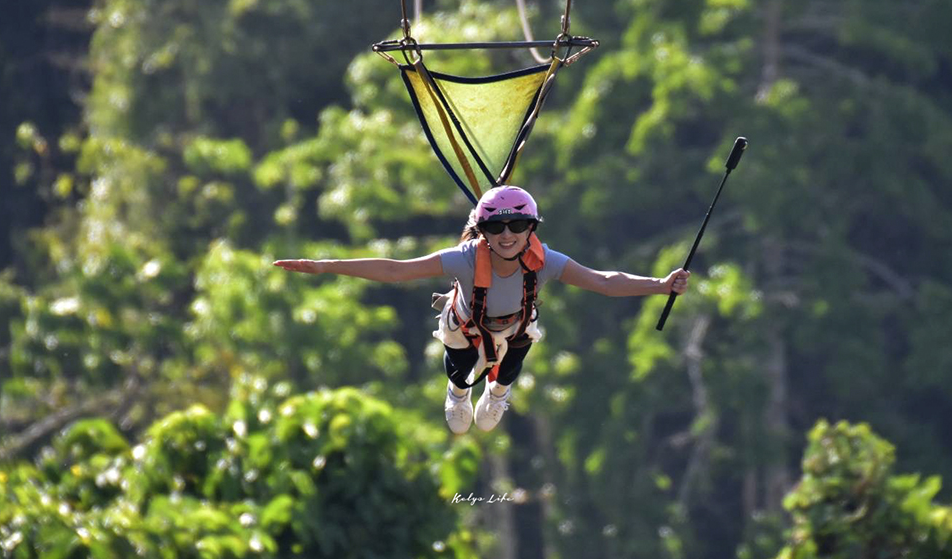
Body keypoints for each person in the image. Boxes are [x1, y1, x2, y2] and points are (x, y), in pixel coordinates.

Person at [273, 185, 690, 434]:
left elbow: (603, 281)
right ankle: (458, 393)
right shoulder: (464, 259)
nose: (506, 235)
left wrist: (659, 285)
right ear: (482, 230)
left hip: (514, 328)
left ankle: (499, 392)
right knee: (460, 362)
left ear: (532, 228)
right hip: (467, 324)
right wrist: (326, 266)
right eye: (495, 227)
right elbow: (397, 271)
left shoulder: (546, 262)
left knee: (514, 354)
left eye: (517, 226)